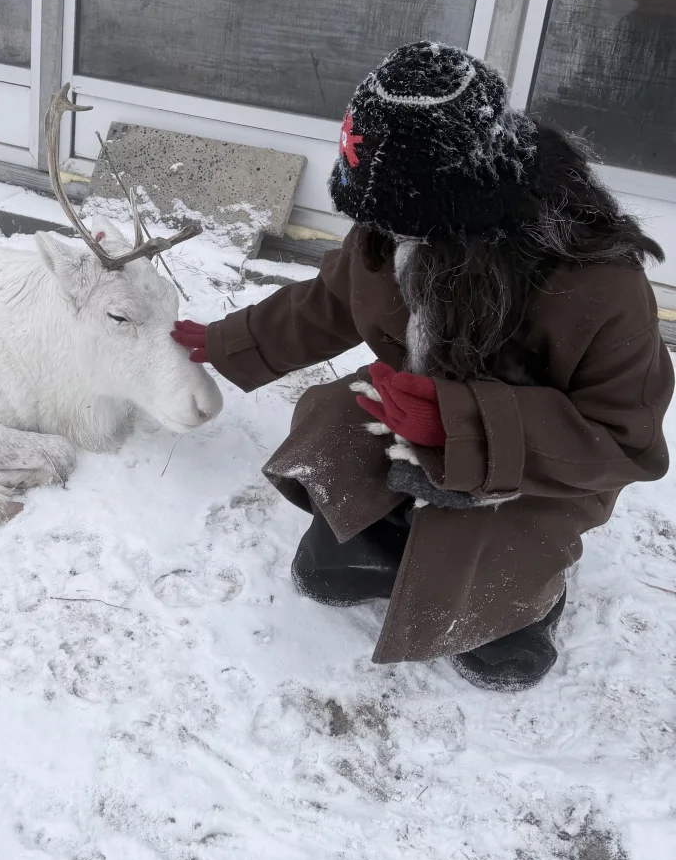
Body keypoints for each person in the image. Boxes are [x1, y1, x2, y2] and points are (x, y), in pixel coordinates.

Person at [173, 41, 673, 691]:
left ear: (463, 206)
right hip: (411, 410)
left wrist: (461, 427)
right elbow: (331, 300)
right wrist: (225, 342)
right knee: (336, 423)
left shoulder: (598, 286)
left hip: (530, 467)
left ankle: (523, 601)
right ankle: (383, 539)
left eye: (398, 222)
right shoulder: (393, 226)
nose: (376, 235)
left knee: (488, 602)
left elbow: (625, 443)